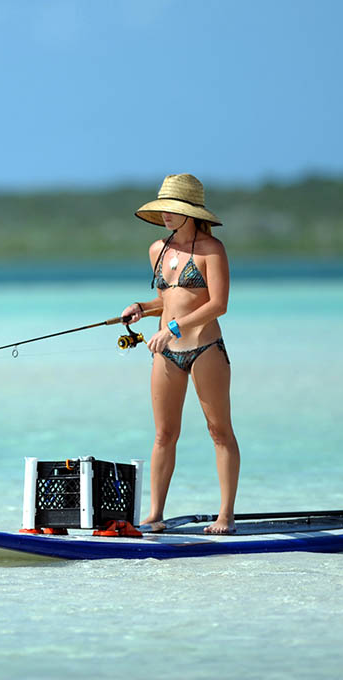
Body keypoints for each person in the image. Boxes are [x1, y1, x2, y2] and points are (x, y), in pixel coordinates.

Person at [122, 174, 239, 534]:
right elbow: (169, 299)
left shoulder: (212, 250)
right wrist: (143, 306)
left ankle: (225, 516)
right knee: (163, 435)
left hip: (205, 348)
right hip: (166, 353)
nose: (166, 215)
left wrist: (173, 328)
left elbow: (218, 304)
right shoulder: (158, 249)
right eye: (163, 209)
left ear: (191, 212)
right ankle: (155, 514)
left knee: (219, 431)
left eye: (173, 209)